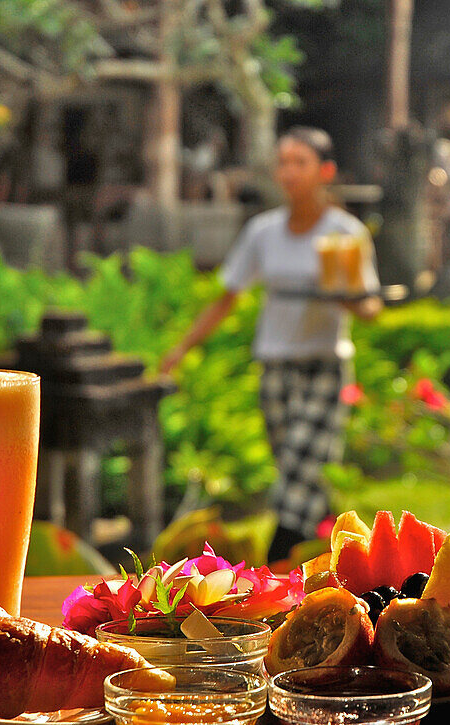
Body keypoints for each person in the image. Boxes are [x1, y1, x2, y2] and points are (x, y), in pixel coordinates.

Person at [159, 127, 382, 561]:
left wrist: (350, 299)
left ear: (325, 171)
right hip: (276, 369)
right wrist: (182, 348)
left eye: (300, 162)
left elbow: (369, 306)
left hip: (324, 366)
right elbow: (226, 297)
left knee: (302, 470)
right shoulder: (264, 232)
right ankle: (341, 555)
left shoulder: (343, 233)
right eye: (283, 162)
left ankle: (276, 558)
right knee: (302, 476)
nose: (289, 172)